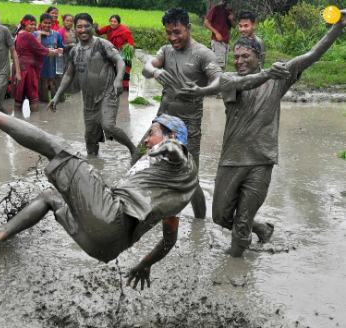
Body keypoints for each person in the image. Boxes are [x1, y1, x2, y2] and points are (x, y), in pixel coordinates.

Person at [0, 74, 197, 289]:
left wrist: (169, 146)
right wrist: (145, 264)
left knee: (58, 148)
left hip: (109, 219)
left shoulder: (178, 160)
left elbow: (177, 151)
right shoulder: (171, 192)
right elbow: (169, 240)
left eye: (152, 133)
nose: (146, 140)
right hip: (106, 248)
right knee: (50, 197)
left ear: (171, 135)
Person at [180, 10, 346, 257]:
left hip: (261, 160)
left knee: (242, 222)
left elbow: (311, 55)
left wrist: (338, 26)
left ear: (258, 57)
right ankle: (264, 229)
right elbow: (245, 83)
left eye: (245, 56)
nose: (239, 61)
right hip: (231, 160)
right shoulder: (229, 79)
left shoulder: (278, 78)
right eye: (236, 57)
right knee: (220, 217)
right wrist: (266, 73)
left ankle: (233, 273)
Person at [142, 8, 223, 219]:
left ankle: (199, 220)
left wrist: (202, 90)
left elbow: (218, 80)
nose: (172, 38)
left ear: (188, 28)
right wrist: (155, 71)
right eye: (168, 33)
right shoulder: (166, 51)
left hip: (189, 125)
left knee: (190, 176)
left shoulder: (203, 53)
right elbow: (147, 66)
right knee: (143, 159)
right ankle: (149, 212)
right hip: (163, 120)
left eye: (177, 32)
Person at [48, 13, 139, 160]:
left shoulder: (102, 44)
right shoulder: (75, 51)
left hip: (108, 92)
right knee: (90, 139)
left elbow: (120, 61)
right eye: (79, 27)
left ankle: (133, 149)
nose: (83, 30)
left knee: (108, 126)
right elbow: (69, 75)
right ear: (75, 29)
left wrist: (118, 79)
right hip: (89, 99)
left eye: (86, 26)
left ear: (92, 27)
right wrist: (57, 96)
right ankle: (94, 164)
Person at [14, 14, 61, 112]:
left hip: (21, 68)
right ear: (24, 24)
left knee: (20, 94)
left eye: (34, 25)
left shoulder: (19, 34)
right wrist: (55, 51)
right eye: (30, 24)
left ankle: (18, 118)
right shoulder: (28, 35)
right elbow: (39, 49)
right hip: (29, 69)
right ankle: (36, 121)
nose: (33, 27)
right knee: (33, 95)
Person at [96, 14, 134, 90]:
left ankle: (124, 89)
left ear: (118, 23)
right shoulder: (108, 28)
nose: (112, 23)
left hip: (122, 52)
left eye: (115, 22)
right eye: (111, 21)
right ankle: (111, 87)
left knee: (124, 69)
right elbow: (100, 32)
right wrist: (96, 28)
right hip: (111, 50)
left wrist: (126, 49)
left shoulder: (125, 31)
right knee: (109, 68)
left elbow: (130, 43)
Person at [36, 13, 64, 104]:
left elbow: (61, 47)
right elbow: (35, 48)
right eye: (45, 23)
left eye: (49, 23)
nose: (47, 25)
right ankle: (43, 105)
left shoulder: (56, 34)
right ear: (40, 23)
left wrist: (59, 50)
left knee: (54, 86)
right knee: (42, 90)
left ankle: (56, 105)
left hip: (53, 64)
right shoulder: (35, 34)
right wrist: (40, 34)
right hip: (41, 65)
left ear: (52, 23)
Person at [204, 0, 234, 70]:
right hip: (217, 42)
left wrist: (231, 19)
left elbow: (234, 26)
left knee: (223, 68)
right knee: (218, 67)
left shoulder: (228, 11)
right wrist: (216, 33)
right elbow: (206, 22)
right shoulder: (215, 9)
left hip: (226, 42)